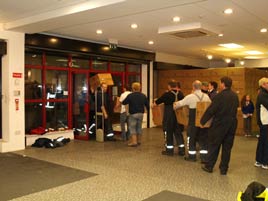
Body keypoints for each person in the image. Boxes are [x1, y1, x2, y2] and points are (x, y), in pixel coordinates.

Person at [200, 76, 239, 175]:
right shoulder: (235, 96)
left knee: (214, 145)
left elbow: (211, 110)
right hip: (232, 124)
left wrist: (202, 121)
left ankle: (209, 166)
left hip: (220, 124)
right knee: (227, 147)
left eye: (220, 83)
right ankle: (224, 169)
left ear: (223, 84)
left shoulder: (220, 96)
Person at [174, 80, 211, 162]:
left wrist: (174, 106)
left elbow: (179, 104)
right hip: (203, 121)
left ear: (193, 87)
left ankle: (192, 156)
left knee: (192, 137)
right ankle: (204, 158)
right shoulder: (206, 96)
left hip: (193, 120)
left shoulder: (190, 96)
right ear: (201, 87)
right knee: (203, 138)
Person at [153, 80, 185, 156]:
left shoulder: (167, 94)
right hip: (178, 116)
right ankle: (181, 150)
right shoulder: (180, 94)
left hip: (169, 115)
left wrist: (153, 105)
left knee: (168, 132)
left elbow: (157, 102)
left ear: (169, 86)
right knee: (178, 133)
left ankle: (169, 151)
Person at [122, 82, 149, 147]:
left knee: (132, 128)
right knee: (139, 127)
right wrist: (146, 110)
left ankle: (134, 142)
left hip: (133, 114)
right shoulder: (143, 95)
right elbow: (147, 105)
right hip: (140, 114)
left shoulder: (130, 95)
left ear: (133, 88)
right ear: (140, 88)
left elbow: (124, 102)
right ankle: (139, 141)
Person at [254, 77, 268, 170]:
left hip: (264, 122)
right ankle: (265, 162)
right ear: (263, 84)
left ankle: (259, 160)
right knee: (266, 142)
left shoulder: (263, 93)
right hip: (265, 122)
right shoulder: (263, 94)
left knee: (262, 141)